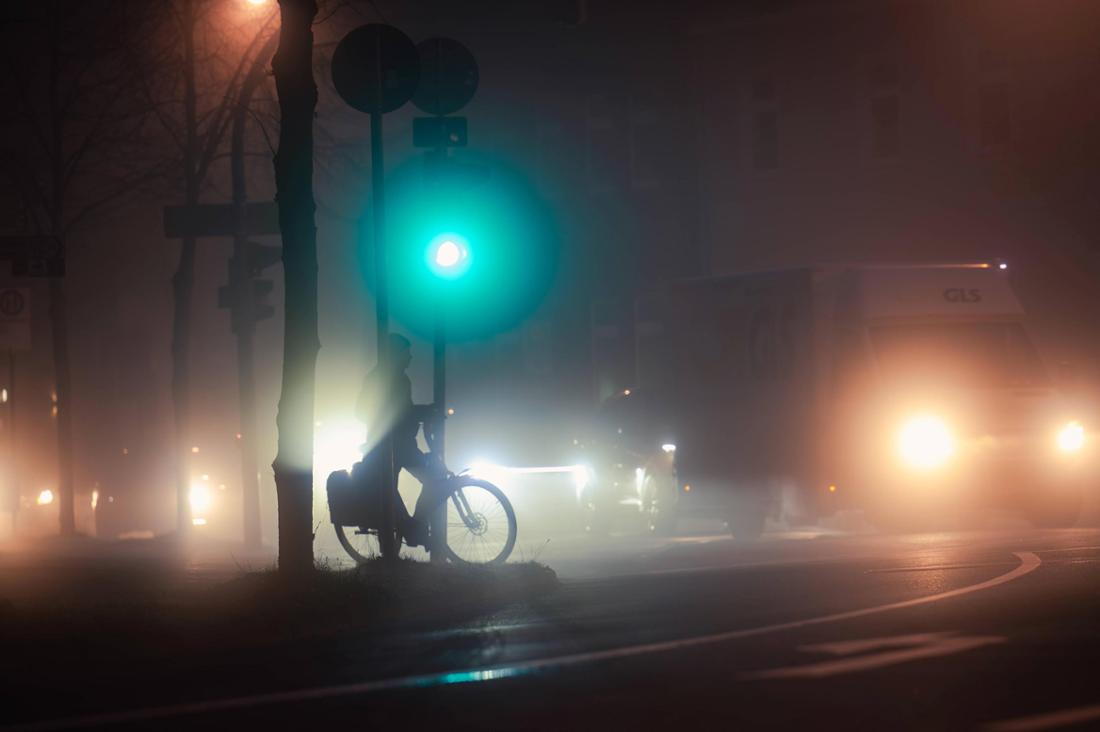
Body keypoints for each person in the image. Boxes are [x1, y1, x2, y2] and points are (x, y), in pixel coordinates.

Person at [356, 333, 445, 546]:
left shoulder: (398, 379)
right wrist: (421, 412)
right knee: (430, 479)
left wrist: (418, 412)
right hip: (389, 447)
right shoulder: (381, 379)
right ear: (396, 355)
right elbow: (366, 410)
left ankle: (411, 528)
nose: (410, 357)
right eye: (407, 353)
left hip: (400, 445)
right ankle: (409, 530)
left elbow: (403, 411)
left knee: (429, 480)